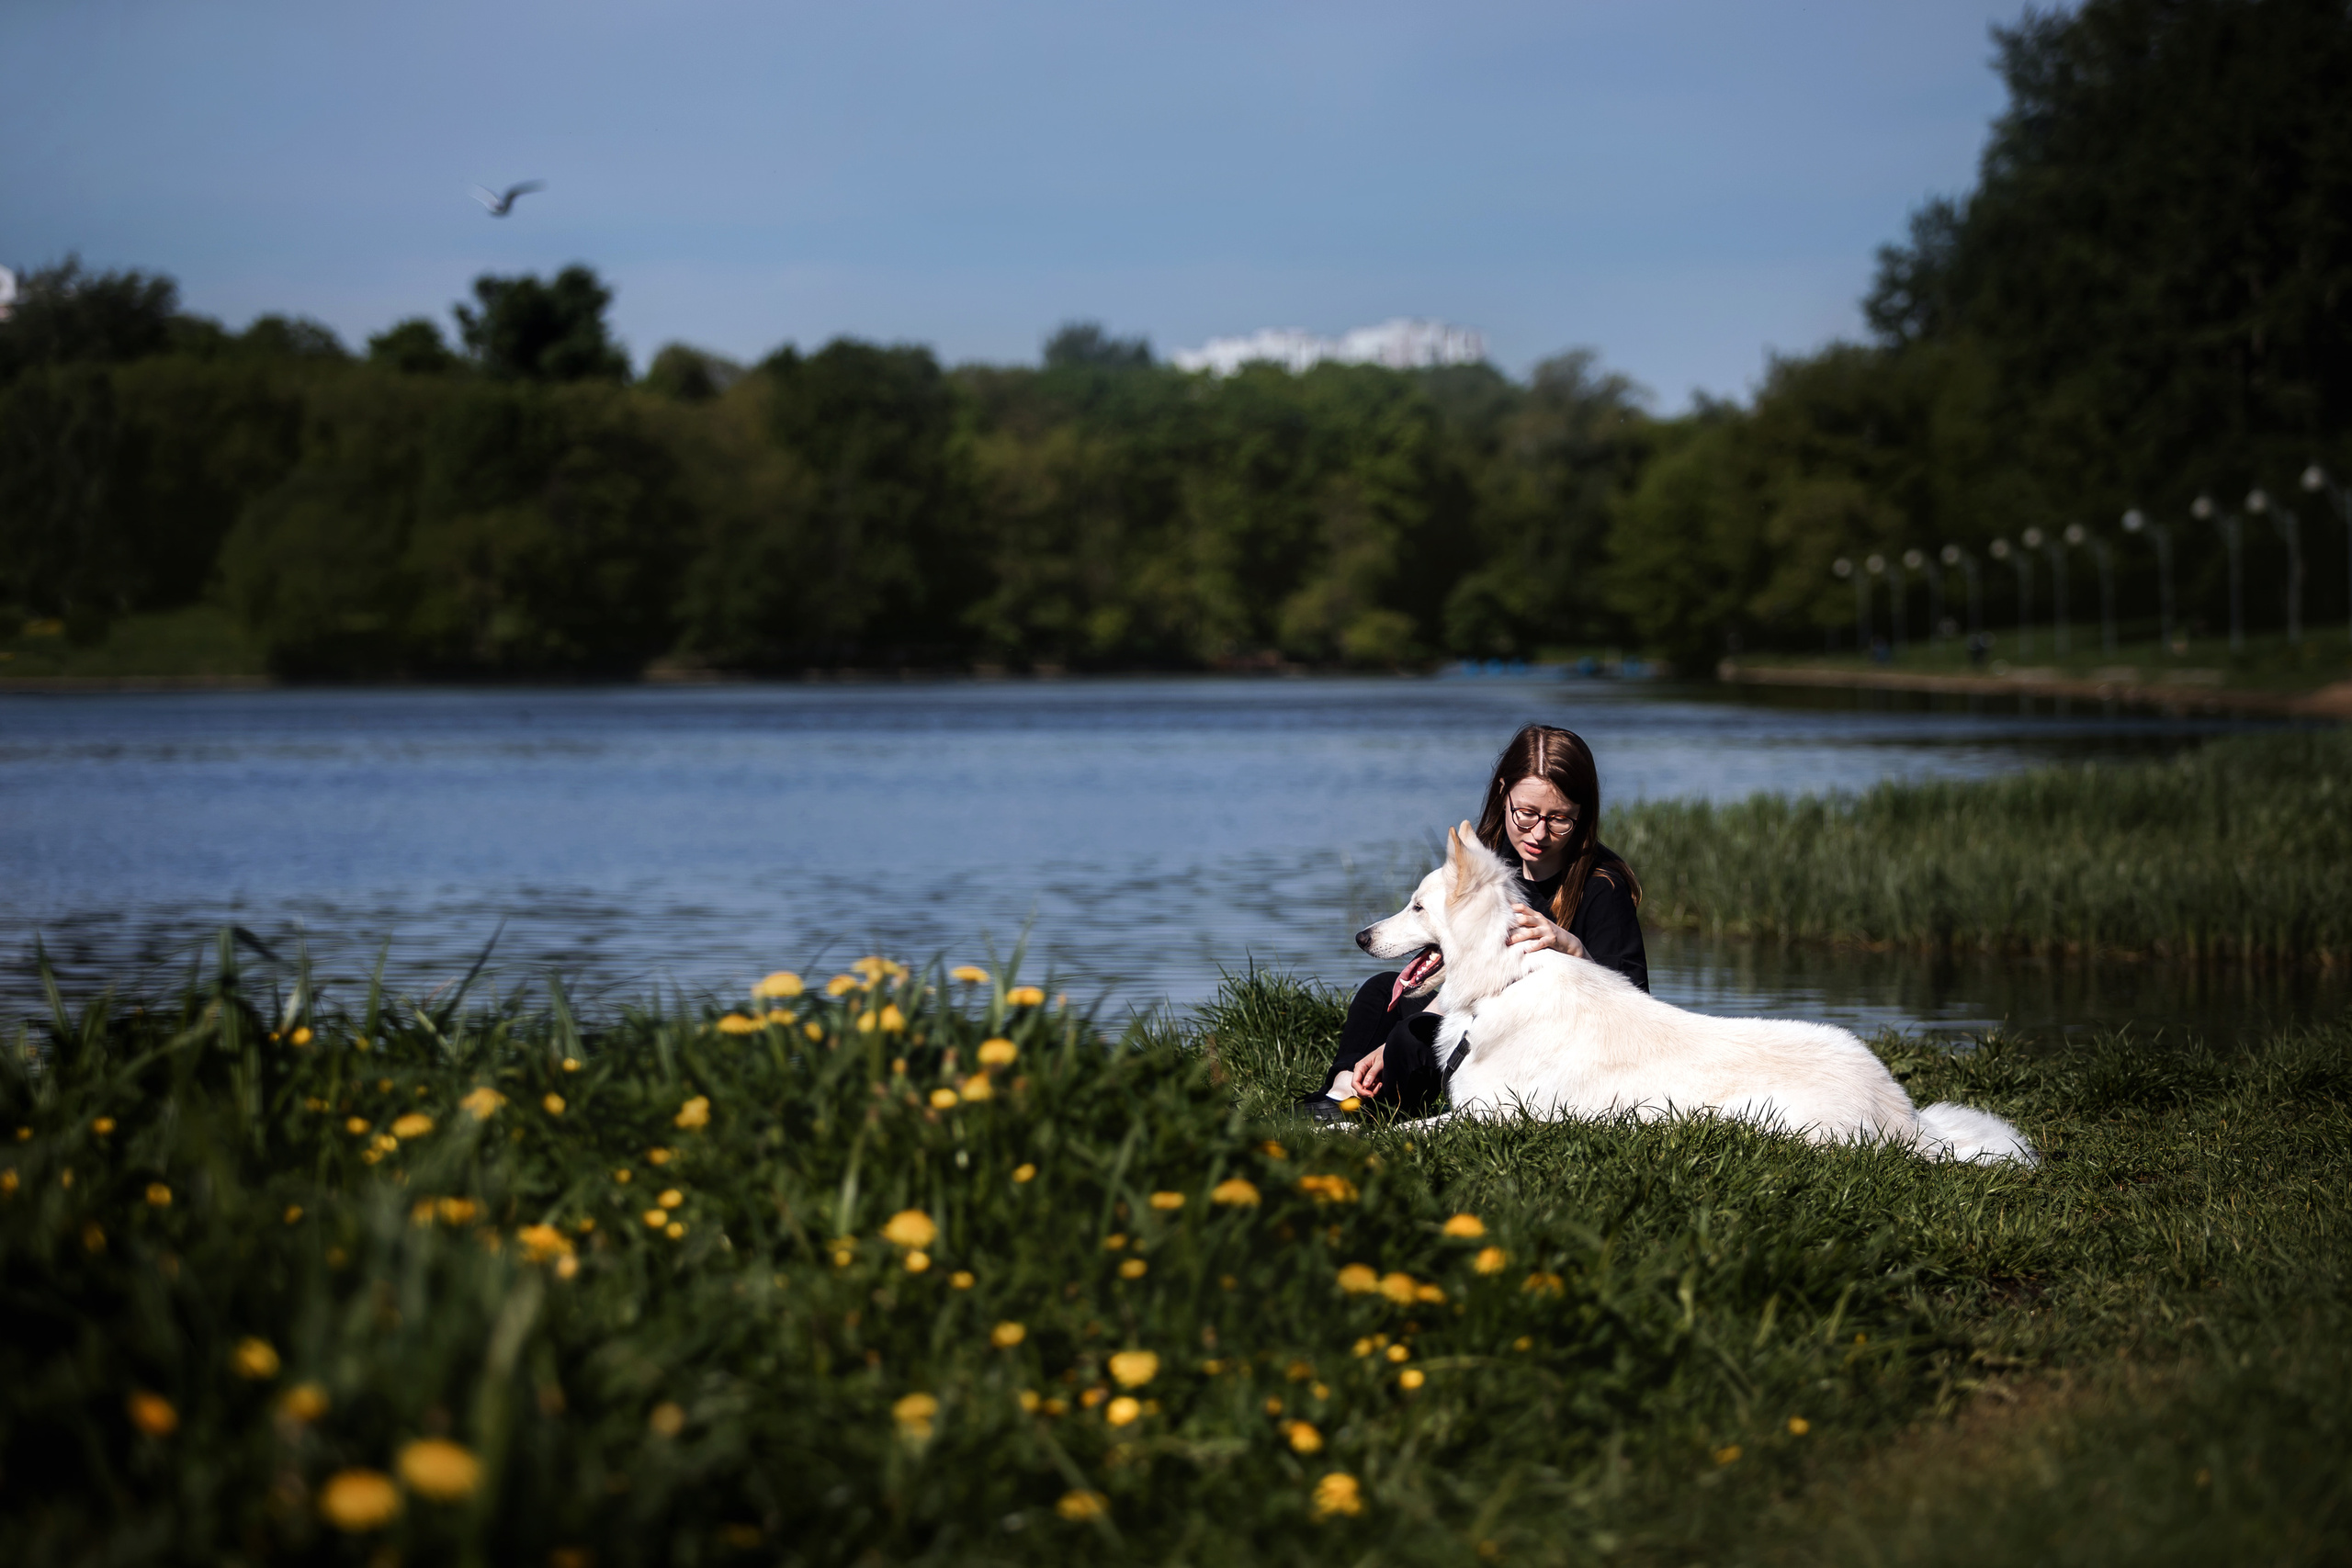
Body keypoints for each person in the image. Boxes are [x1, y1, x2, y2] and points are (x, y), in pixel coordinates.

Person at [1301, 723, 1648, 1122]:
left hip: (1529, 1042)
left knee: (1409, 1039)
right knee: (1381, 992)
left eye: (1559, 820)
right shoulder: (1491, 860)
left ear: (1581, 813)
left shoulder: (1603, 888)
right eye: (1526, 813)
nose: (1538, 833)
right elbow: (1467, 969)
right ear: (1503, 792)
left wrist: (1572, 947)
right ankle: (1339, 1094)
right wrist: (1429, 1009)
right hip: (1473, 1012)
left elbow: (1633, 1008)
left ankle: (1370, 1116)